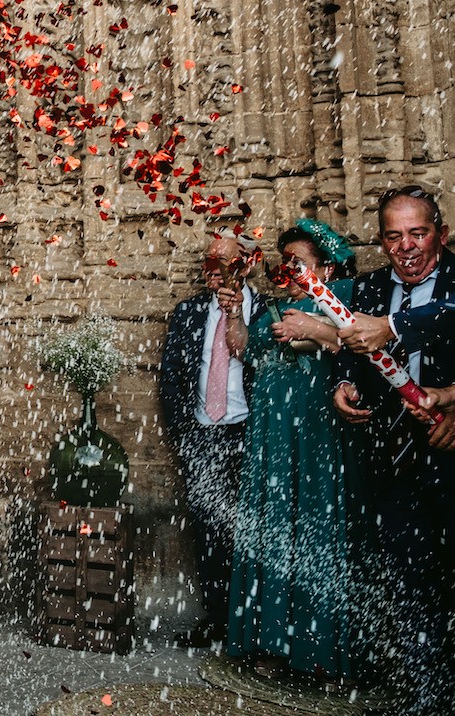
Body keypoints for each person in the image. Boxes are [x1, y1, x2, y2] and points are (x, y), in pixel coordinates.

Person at [331, 185, 455, 714]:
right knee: (407, 581)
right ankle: (424, 696)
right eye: (393, 235)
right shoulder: (370, 286)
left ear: (441, 234)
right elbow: (350, 345)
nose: (406, 246)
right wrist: (342, 383)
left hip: (450, 454)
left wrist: (393, 327)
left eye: (417, 233)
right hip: (394, 459)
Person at [226, 221, 368, 682]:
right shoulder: (273, 305)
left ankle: (316, 648)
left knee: (312, 524)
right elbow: (243, 349)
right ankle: (271, 641)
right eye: (283, 263)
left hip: (315, 430)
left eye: (298, 263)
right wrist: (233, 313)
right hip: (271, 433)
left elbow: (354, 344)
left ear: (326, 267)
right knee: (272, 526)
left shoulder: (341, 294)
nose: (286, 271)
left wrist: (313, 330)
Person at [158, 230, 261, 648]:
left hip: (251, 433)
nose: (214, 271)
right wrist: (184, 435)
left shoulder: (267, 312)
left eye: (224, 263)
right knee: (208, 532)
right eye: (209, 263)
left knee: (252, 530)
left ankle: (251, 627)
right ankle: (216, 621)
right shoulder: (189, 312)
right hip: (202, 434)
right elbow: (171, 378)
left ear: (247, 265)